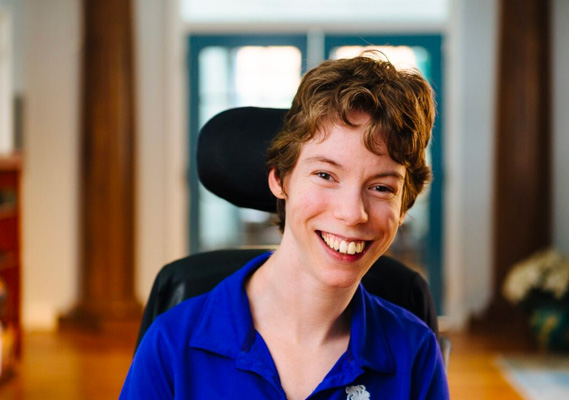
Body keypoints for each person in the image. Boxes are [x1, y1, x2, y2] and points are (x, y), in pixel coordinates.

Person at [120, 53, 449, 399]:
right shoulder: (172, 344)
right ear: (280, 179)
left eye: (381, 187)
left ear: (403, 206)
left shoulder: (416, 353)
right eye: (325, 175)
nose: (353, 214)